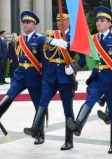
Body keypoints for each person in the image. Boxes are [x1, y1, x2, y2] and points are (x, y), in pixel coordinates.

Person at [0, 11, 67, 145]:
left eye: (28, 23)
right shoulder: (18, 40)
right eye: (23, 23)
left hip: (35, 74)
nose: (25, 25)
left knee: (37, 104)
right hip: (20, 74)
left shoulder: (39, 38)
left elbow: (46, 56)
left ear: (34, 25)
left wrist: (46, 77)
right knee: (11, 93)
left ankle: (39, 133)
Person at [67, 6, 112, 154]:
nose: (99, 23)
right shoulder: (93, 39)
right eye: (97, 20)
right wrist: (73, 67)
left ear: (109, 23)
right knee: (90, 99)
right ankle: (78, 125)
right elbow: (84, 57)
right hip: (96, 78)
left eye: (102, 20)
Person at [24, 8, 76, 150]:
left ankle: (69, 140)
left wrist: (74, 67)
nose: (60, 23)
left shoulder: (75, 36)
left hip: (65, 77)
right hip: (50, 76)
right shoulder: (51, 35)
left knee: (67, 108)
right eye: (58, 20)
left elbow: (83, 56)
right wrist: (54, 41)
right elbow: (40, 39)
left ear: (68, 21)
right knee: (43, 101)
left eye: (63, 20)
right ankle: (35, 128)